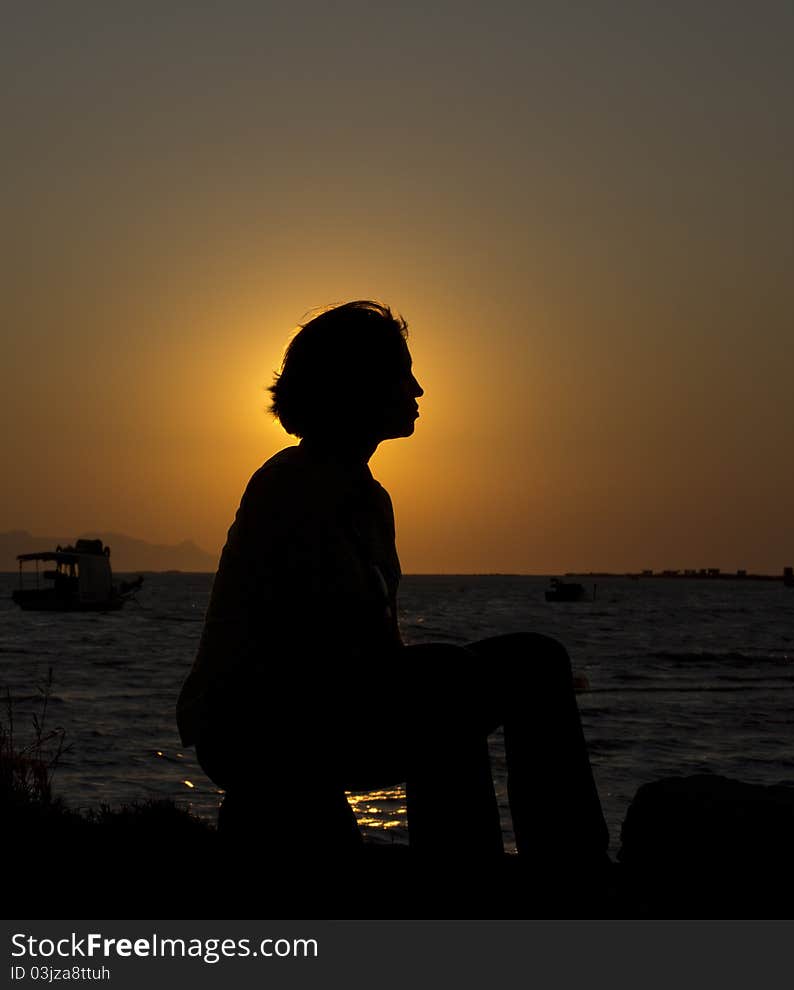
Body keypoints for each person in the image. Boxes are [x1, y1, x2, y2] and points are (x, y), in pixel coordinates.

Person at [176, 300, 609, 876]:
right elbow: (312, 648)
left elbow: (371, 649)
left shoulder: (368, 498)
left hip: (330, 702)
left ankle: (572, 866)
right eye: (402, 373)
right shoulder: (291, 487)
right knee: (452, 682)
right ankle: (473, 873)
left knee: (535, 659)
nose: (419, 388)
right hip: (262, 720)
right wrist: (436, 677)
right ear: (357, 385)